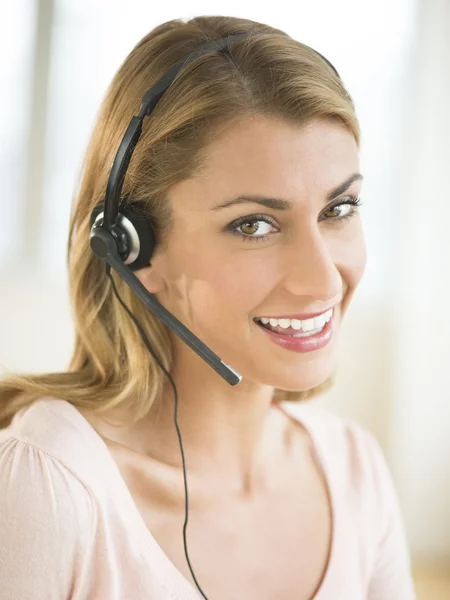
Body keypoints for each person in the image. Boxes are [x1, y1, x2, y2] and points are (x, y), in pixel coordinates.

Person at [0, 14, 416, 600]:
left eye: (339, 209)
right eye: (255, 224)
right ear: (132, 247)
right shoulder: (46, 488)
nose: (323, 279)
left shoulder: (353, 471)